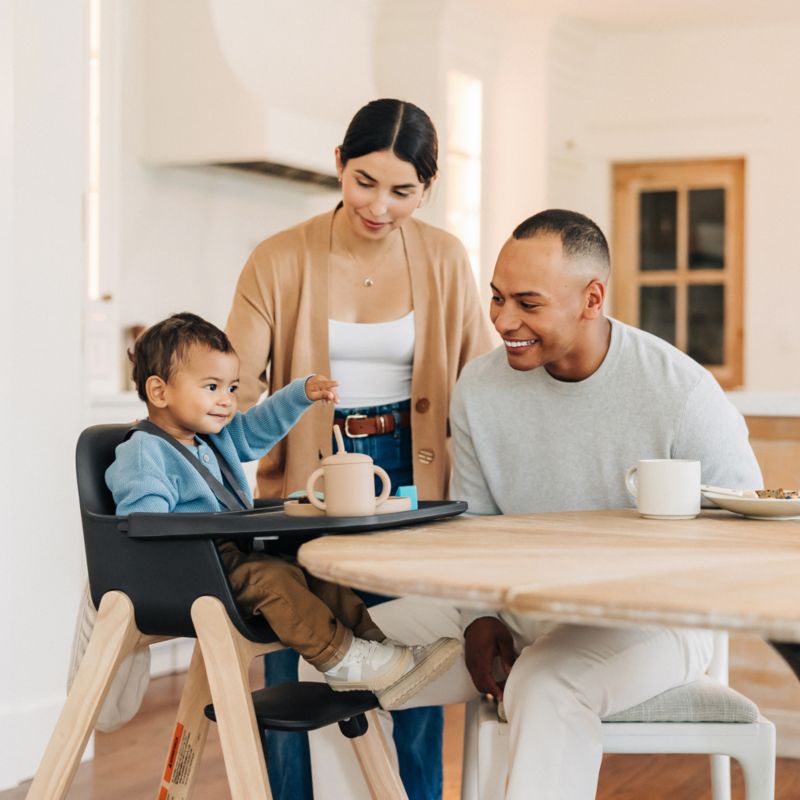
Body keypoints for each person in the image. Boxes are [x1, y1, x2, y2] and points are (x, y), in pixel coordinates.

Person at [300, 209, 763, 799]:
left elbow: (742, 523)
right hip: (514, 604)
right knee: (331, 659)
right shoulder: (481, 387)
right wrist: (479, 616)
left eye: (528, 303)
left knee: (546, 683)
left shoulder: (681, 390)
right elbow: (475, 528)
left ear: (591, 298)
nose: (504, 320)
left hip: (651, 620)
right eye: (496, 298)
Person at [226, 98, 492, 799]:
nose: (379, 205)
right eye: (364, 181)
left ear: (427, 190)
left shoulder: (444, 258)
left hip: (415, 473)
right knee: (297, 659)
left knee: (418, 659)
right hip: (308, 472)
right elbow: (233, 384)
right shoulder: (279, 257)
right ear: (339, 165)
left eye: (403, 191)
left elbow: (479, 379)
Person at [105, 313, 461, 710]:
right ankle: (342, 661)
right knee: (272, 579)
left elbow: (256, 429)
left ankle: (382, 654)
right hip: (194, 568)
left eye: (231, 387)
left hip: (232, 557)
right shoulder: (143, 452)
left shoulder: (212, 438)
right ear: (159, 391)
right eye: (211, 387)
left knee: (311, 566)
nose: (226, 399)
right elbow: (143, 527)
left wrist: (300, 394)